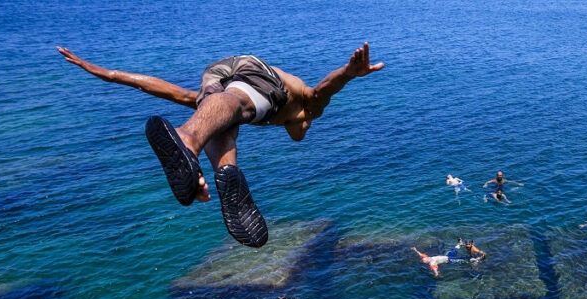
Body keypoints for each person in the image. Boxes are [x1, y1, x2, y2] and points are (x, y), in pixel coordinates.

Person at [57, 44, 384, 248]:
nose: (301, 133)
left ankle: (224, 174)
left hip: (217, 72)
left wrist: (110, 74)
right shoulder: (307, 109)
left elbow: (172, 93)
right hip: (257, 73)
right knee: (239, 105)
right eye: (302, 131)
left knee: (216, 109)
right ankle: (190, 141)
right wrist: (349, 72)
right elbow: (326, 87)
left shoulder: (257, 110)